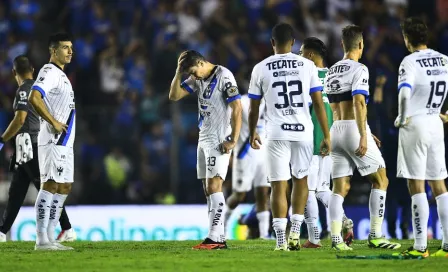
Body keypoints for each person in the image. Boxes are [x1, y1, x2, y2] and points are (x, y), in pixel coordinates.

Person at [248, 23, 331, 251]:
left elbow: (254, 107)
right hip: (303, 132)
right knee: (301, 181)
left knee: (277, 185)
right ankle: (295, 230)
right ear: (293, 42)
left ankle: (280, 241)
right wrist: (325, 134)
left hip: (275, 133)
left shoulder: (260, 68)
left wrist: (253, 130)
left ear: (272, 43)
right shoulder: (307, 65)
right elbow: (318, 102)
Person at [324, 25, 401, 251]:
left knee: (340, 187)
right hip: (353, 131)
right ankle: (376, 235)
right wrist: (362, 135)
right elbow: (358, 102)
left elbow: (332, 106)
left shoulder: (331, 71)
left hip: (335, 129)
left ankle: (337, 240)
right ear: (361, 44)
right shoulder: (360, 69)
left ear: (342, 45)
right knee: (381, 180)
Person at [169, 50, 242, 250]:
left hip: (219, 139)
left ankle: (215, 238)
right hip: (204, 138)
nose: (193, 75)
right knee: (207, 189)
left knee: (214, 187)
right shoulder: (196, 78)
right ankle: (218, 236)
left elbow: (237, 107)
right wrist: (178, 72)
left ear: (201, 62)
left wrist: (233, 140)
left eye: (193, 71)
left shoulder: (224, 75)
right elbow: (174, 96)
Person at [0, 55, 76, 243]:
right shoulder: (44, 88)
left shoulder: (24, 91)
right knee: (16, 192)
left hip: (31, 146)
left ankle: (67, 228)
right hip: (33, 145)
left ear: (13, 73)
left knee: (46, 188)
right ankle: (2, 232)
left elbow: (20, 119)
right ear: (33, 70)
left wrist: (2, 140)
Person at [394, 17, 448, 258]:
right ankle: (447, 245)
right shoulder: (445, 60)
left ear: (407, 39)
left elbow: (404, 94)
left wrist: (401, 117)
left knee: (416, 184)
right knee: (439, 185)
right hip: (436, 123)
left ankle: (420, 247)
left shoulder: (409, 61)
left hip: (415, 123)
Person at [298, 37, 354, 248]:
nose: (300, 58)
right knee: (322, 189)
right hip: (333, 140)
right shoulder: (334, 76)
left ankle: (314, 237)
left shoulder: (306, 77)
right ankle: (345, 222)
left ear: (310, 55)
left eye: (302, 53)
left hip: (312, 140)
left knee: (308, 190)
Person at [28, 33, 76, 251]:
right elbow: (34, 97)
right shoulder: (49, 72)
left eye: (71, 47)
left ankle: (49, 236)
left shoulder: (62, 75)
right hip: (53, 139)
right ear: (53, 51)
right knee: (49, 184)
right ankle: (41, 240)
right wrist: (54, 121)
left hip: (65, 142)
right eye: (65, 47)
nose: (70, 51)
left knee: (64, 186)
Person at [224, 94, 270, 239]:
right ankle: (221, 228)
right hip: (245, 154)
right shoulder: (242, 102)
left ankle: (264, 235)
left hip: (266, 155)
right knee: (239, 195)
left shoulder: (272, 101)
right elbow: (228, 124)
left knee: (263, 194)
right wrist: (229, 150)